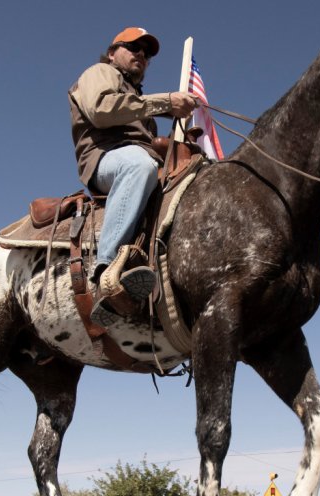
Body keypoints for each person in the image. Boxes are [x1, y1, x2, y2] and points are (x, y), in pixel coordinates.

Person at [69, 26, 199, 321]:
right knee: (139, 165)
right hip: (106, 159)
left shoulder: (136, 95)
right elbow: (101, 109)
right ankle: (106, 274)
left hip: (143, 159)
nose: (141, 54)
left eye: (147, 52)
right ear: (113, 53)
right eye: (133, 47)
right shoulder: (101, 72)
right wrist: (165, 103)